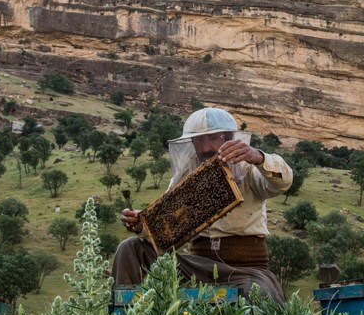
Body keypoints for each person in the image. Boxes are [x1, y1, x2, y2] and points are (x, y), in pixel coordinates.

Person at [112, 107, 293, 304]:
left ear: (229, 137)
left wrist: (259, 157)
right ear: (192, 142)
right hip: (196, 267)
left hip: (245, 270)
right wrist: (143, 224)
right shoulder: (186, 173)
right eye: (200, 140)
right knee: (130, 248)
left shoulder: (250, 168)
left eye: (214, 138)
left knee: (259, 295)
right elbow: (167, 226)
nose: (206, 147)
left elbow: (283, 182)